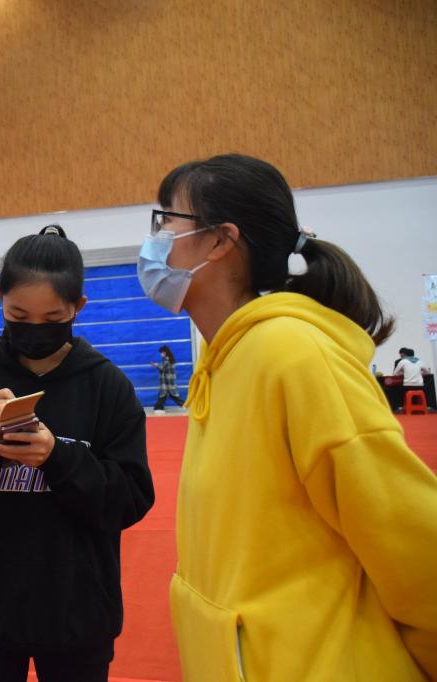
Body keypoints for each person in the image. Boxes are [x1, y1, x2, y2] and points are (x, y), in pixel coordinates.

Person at [140, 152, 437, 680]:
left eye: (167, 219)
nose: (155, 238)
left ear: (220, 241)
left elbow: (414, 544)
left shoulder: (294, 354)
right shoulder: (222, 357)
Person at [0, 224, 154, 682]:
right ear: (0, 300)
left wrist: (58, 458)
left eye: (52, 318)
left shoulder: (107, 387)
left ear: (78, 307)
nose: (34, 330)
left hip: (78, 615)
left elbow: (130, 500)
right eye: (18, 315)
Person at [149, 345, 184, 413]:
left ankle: (159, 408)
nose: (161, 354)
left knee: (164, 394)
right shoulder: (169, 359)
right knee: (171, 394)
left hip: (167, 381)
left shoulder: (167, 359)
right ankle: (184, 405)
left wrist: (155, 364)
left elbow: (162, 367)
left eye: (161, 352)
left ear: (164, 352)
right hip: (168, 381)